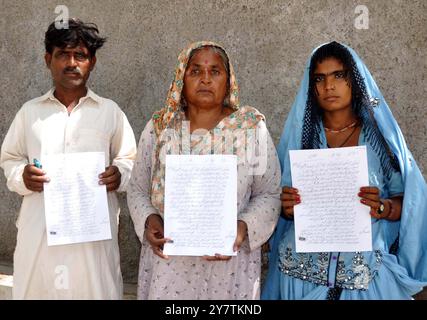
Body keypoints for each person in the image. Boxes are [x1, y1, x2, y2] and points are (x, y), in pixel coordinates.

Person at [262, 41, 427, 300]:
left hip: (365, 276)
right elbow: (276, 201)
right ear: (311, 87)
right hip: (300, 274)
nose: (329, 86)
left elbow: (409, 200)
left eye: (339, 75)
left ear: (355, 80)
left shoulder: (380, 140)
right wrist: (287, 207)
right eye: (320, 78)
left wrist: (382, 207)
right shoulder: (300, 139)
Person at [127, 41, 281, 300]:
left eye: (215, 71)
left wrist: (243, 227)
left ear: (228, 80)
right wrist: (149, 221)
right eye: (196, 71)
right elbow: (138, 188)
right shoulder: (161, 128)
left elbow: (269, 193)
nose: (205, 79)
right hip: (169, 264)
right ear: (181, 80)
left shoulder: (250, 128)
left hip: (230, 266)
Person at [0, 19, 136, 299]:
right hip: (41, 234)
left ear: (92, 62)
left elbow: (132, 161)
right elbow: (10, 159)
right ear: (48, 59)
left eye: (80, 55)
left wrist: (120, 174)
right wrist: (22, 176)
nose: (71, 62)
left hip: (93, 239)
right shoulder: (30, 113)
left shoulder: (110, 112)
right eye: (63, 54)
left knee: (94, 290)